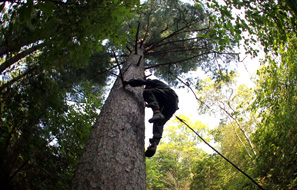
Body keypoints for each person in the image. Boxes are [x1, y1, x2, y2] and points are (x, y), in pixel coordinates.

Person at [125, 78, 179, 157]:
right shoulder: (157, 95)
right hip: (172, 105)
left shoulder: (154, 82)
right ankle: (154, 144)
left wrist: (129, 82)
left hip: (169, 95)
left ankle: (156, 111)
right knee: (159, 122)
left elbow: (141, 82)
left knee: (147, 93)